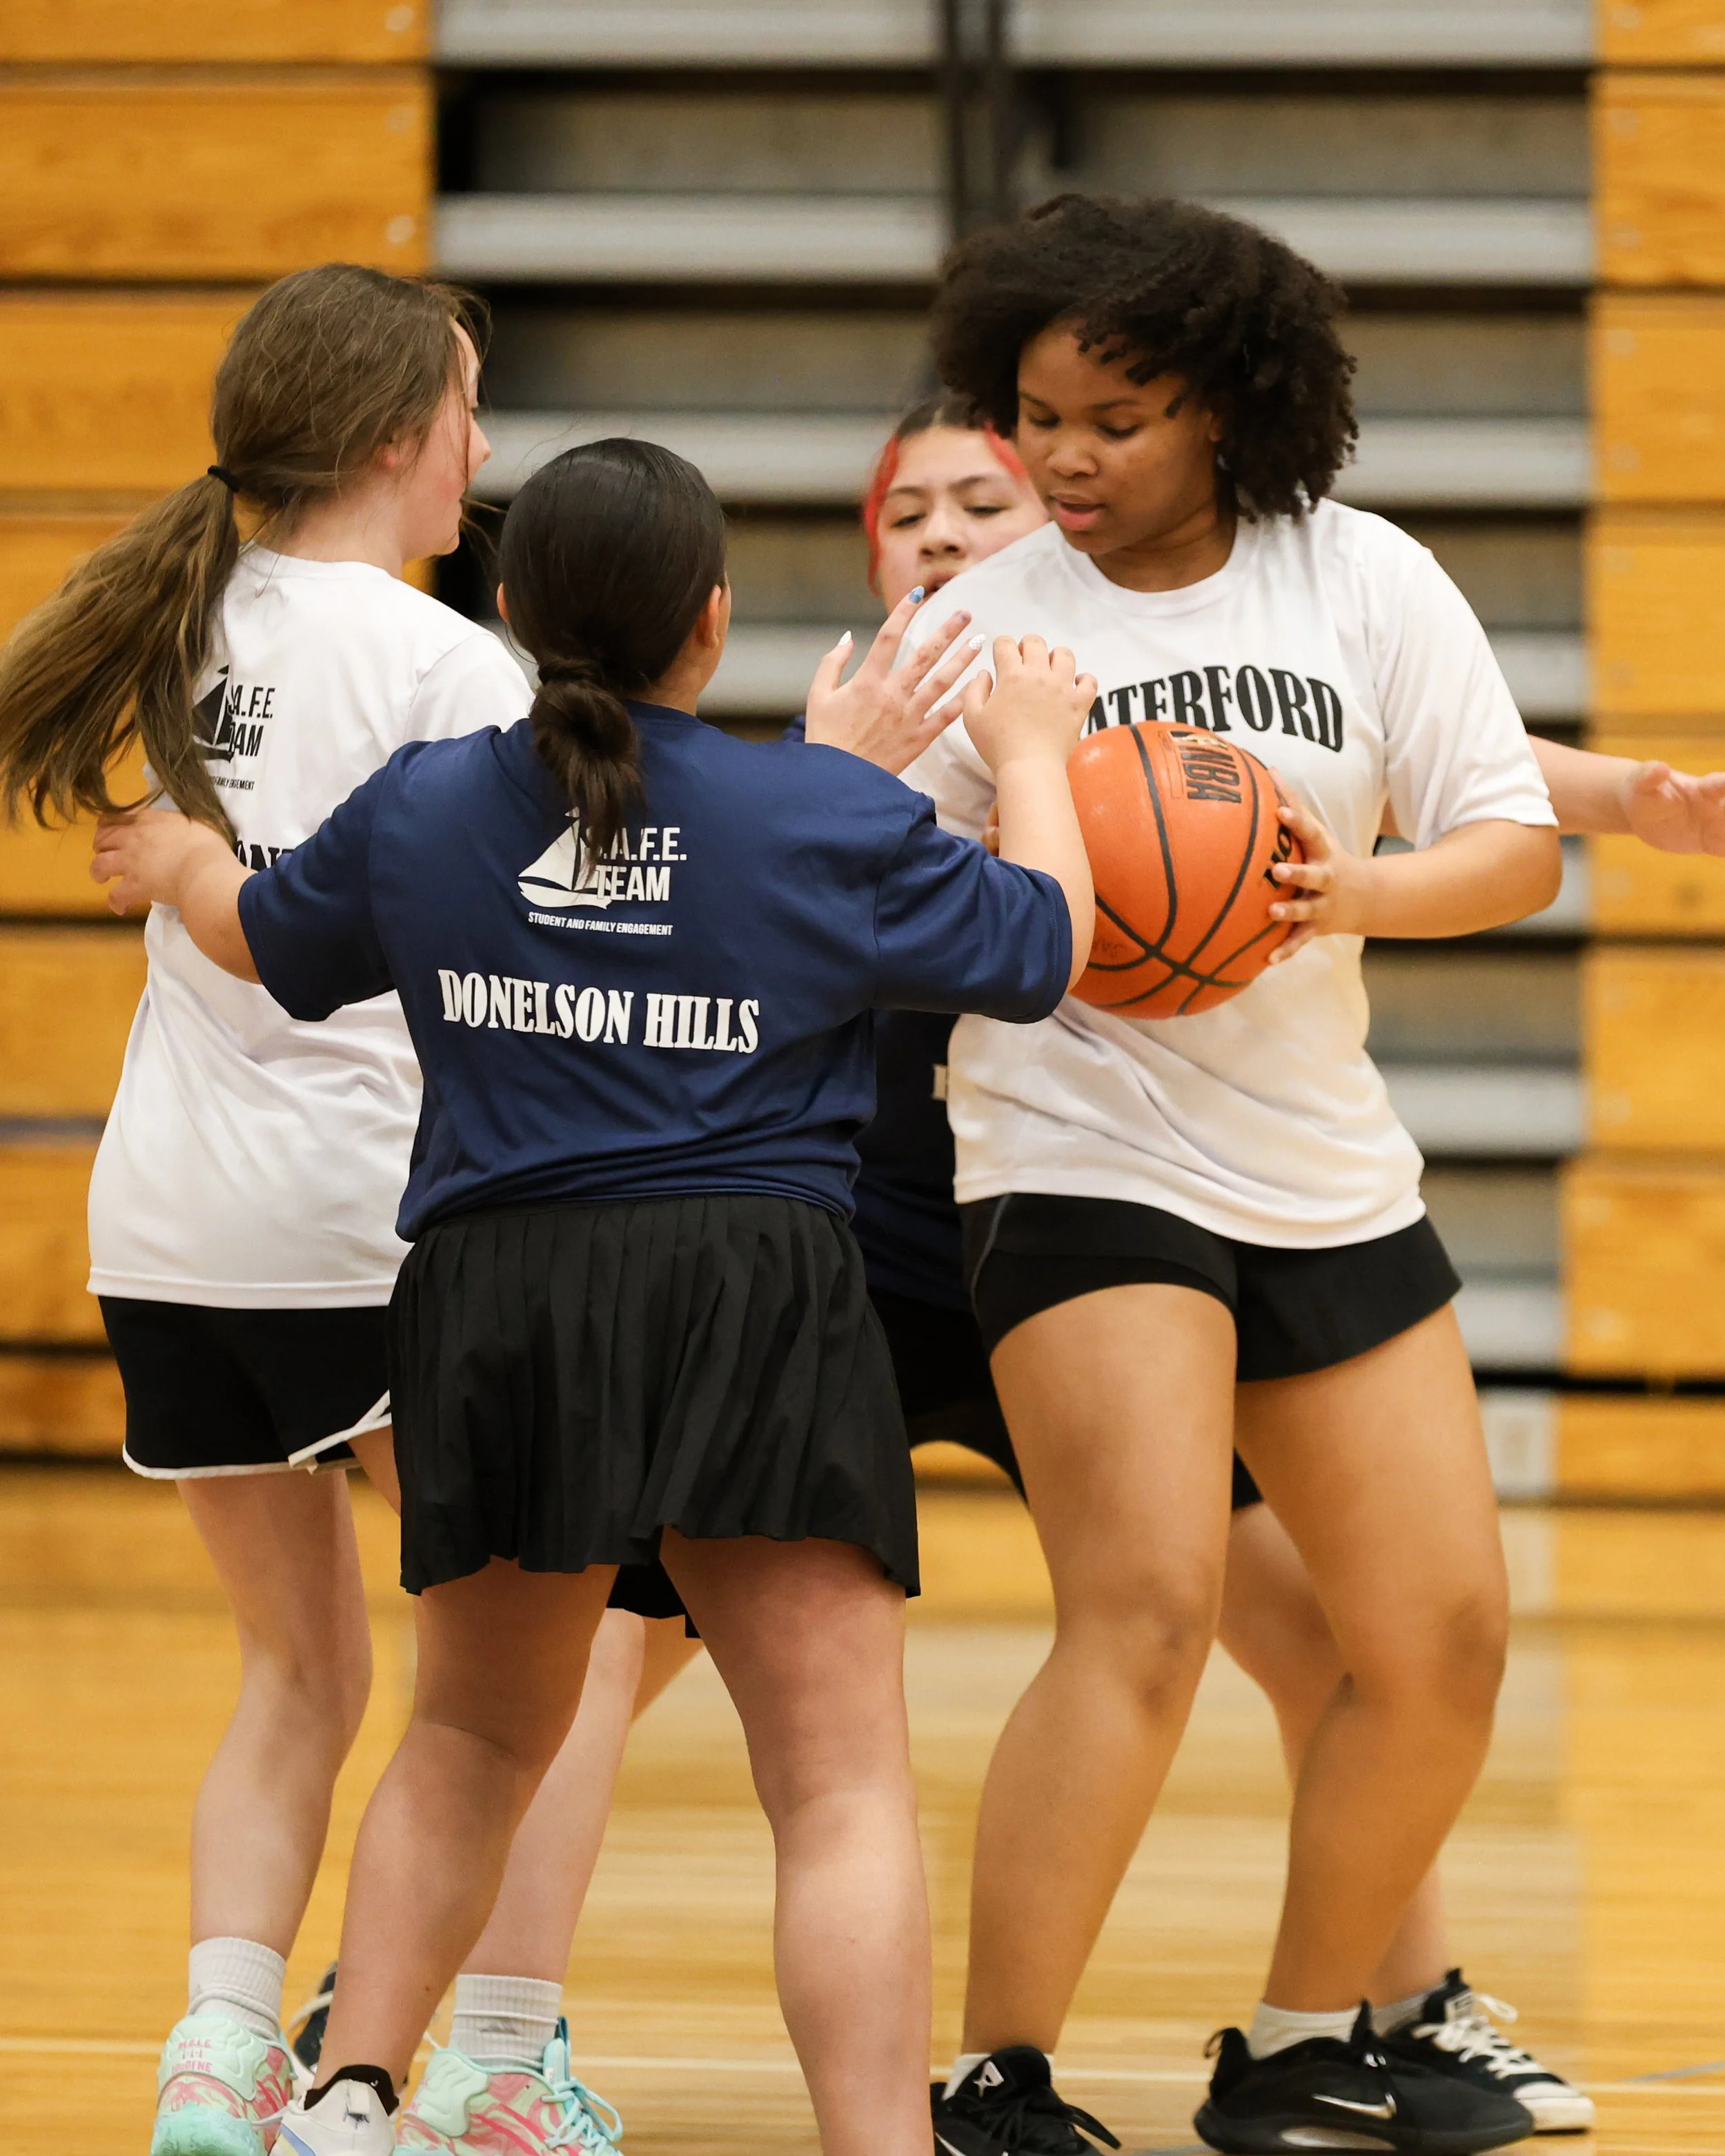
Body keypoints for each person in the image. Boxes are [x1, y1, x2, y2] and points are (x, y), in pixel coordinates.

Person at [88, 436, 1100, 2156]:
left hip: (500, 1288)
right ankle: (875, 2141)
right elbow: (1045, 941)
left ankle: (347, 2094)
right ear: (709, 626)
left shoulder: (429, 804)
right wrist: (1031, 749)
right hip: (752, 1287)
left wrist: (186, 866)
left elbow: (268, 934)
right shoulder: (821, 809)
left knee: (473, 1725)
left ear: (507, 613)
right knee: (837, 1777)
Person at [884, 192, 1578, 2156]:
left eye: (1112, 417)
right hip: (1076, 1143)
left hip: (1322, 1164)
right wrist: (1043, 875)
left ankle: (1292, 2039)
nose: (1061, 459)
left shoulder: (1358, 582)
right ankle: (995, 2074)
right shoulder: (983, 623)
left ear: (1227, 407)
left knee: (1437, 1639)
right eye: (1033, 416)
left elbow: (1510, 842)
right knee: (1149, 1604)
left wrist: (1341, 887)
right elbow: (886, 896)